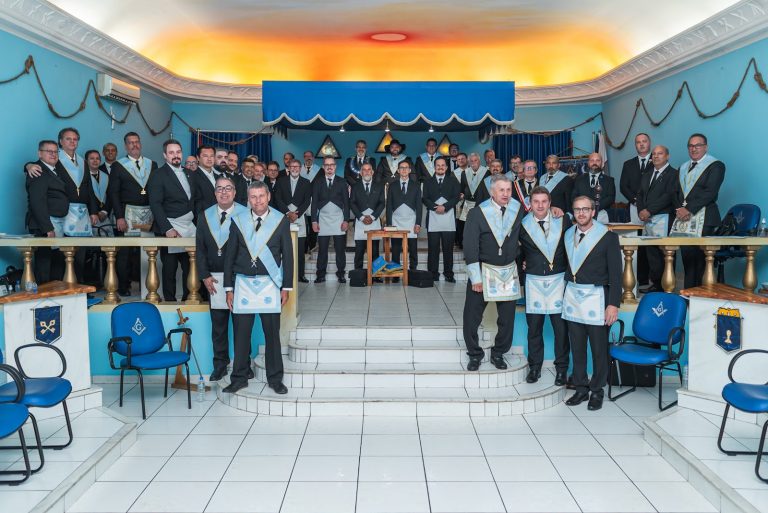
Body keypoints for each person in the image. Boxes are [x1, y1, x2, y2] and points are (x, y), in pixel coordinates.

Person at [223, 181, 294, 394]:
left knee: (272, 335)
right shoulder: (238, 221)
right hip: (243, 284)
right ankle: (239, 378)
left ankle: (275, 379)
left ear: (268, 196)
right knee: (241, 335)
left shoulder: (280, 221)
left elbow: (288, 256)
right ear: (248, 199)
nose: (258, 201)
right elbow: (230, 256)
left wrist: (286, 287)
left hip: (270, 285)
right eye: (253, 197)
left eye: (261, 196)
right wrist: (228, 288)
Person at [562, 195, 622, 411]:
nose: (581, 213)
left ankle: (597, 390)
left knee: (598, 349)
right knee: (577, 347)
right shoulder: (568, 234)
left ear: (593, 212)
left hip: (597, 298)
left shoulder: (607, 237)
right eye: (577, 209)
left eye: (585, 209)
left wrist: (613, 304)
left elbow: (616, 274)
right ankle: (580, 388)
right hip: (573, 296)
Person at [463, 174, 525, 371]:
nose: (506, 194)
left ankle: (498, 353)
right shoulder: (477, 213)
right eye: (501, 190)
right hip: (483, 271)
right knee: (472, 316)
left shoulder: (517, 209)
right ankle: (474, 354)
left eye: (508, 190)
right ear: (492, 191)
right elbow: (470, 246)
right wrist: (475, 277)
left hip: (508, 271)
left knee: (507, 319)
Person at [25, 127, 99, 282]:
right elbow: (38, 168)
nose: (72, 142)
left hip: (79, 215)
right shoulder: (51, 163)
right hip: (60, 217)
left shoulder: (82, 162)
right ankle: (53, 290)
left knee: (73, 256)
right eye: (68, 139)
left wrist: (93, 211)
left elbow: (89, 189)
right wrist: (28, 165)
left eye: (75, 139)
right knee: (55, 260)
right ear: (61, 142)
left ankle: (76, 288)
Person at [197, 175, 247, 382]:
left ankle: (243, 365)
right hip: (215, 279)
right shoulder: (204, 215)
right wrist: (204, 275)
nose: (224, 192)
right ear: (215, 192)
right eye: (220, 188)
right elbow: (200, 249)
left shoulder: (245, 214)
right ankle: (220, 365)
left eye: (228, 188)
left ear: (235, 192)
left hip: (239, 278)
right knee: (218, 326)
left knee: (242, 326)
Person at [519, 187, 571, 385]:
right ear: (530, 204)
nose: (540, 206)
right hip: (534, 282)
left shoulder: (563, 220)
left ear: (550, 203)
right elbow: (516, 251)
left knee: (561, 330)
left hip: (559, 280)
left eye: (544, 201)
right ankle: (534, 368)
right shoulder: (522, 225)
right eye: (536, 202)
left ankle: (562, 370)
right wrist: (522, 265)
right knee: (534, 329)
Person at [108, 132, 158, 296]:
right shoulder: (118, 166)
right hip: (127, 213)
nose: (134, 145)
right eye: (131, 142)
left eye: (137, 142)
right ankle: (124, 286)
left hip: (148, 213)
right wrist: (119, 216)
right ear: (126, 146)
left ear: (140, 144)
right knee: (125, 253)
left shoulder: (152, 164)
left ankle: (147, 285)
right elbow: (113, 193)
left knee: (147, 251)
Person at [147, 139, 197, 301]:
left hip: (189, 227)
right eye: (171, 152)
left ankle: (188, 299)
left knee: (190, 267)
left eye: (178, 152)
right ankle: (170, 301)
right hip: (170, 227)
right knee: (170, 269)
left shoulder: (190, 173)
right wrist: (167, 228)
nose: (175, 155)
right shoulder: (158, 175)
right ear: (165, 155)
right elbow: (155, 204)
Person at [675, 133, 726, 288]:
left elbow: (710, 192)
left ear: (706, 147)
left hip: (705, 219)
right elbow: (676, 192)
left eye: (698, 145)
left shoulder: (716, 165)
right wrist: (680, 209)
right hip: (684, 219)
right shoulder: (682, 167)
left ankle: (701, 296)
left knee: (701, 262)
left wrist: (688, 209)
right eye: (691, 146)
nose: (694, 149)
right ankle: (688, 294)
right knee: (688, 260)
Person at [25, 140, 69, 283]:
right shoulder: (38, 171)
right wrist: (47, 228)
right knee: (44, 268)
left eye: (55, 151)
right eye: (49, 151)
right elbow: (37, 202)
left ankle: (55, 294)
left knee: (56, 265)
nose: (53, 154)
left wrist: (27, 165)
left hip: (57, 224)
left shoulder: (54, 169)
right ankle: (43, 296)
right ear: (40, 154)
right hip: (45, 226)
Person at [637, 145, 678, 292]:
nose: (656, 156)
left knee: (665, 254)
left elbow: (669, 196)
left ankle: (667, 286)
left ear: (667, 156)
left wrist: (649, 210)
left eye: (660, 153)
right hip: (648, 220)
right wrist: (641, 211)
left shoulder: (674, 174)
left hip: (665, 219)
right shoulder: (647, 174)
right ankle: (655, 284)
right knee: (652, 254)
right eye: (654, 154)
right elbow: (640, 194)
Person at [621, 133, 652, 288]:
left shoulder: (657, 161)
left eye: (644, 141)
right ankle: (639, 278)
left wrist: (649, 205)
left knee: (651, 244)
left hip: (653, 210)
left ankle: (653, 279)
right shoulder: (628, 164)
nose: (641, 144)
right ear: (635, 145)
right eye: (638, 142)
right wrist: (636, 201)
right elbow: (623, 186)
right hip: (634, 208)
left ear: (649, 143)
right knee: (637, 243)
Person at [312, 157, 349, 283]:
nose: (329, 167)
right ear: (323, 167)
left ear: (335, 166)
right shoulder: (318, 182)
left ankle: (341, 274)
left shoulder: (342, 181)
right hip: (323, 220)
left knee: (340, 250)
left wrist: (346, 220)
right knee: (322, 250)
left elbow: (346, 203)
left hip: (338, 219)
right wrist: (314, 221)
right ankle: (320, 274)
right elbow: (314, 203)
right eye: (326, 165)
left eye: (331, 164)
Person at [423, 156, 460, 282]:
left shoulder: (453, 181)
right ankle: (433, 274)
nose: (440, 167)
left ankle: (449, 274)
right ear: (434, 167)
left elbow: (456, 197)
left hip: (448, 219)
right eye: (438, 165)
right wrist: (435, 207)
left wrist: (445, 207)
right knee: (433, 249)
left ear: (446, 167)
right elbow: (425, 198)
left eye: (443, 165)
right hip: (433, 219)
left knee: (448, 249)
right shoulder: (427, 182)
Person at [274, 159, 312, 282]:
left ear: (300, 168)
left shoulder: (306, 182)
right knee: (283, 248)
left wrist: (297, 214)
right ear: (289, 168)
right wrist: (288, 212)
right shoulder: (281, 181)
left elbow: (307, 200)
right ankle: (283, 276)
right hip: (284, 217)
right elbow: (277, 198)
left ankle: (301, 275)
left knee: (300, 250)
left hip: (299, 217)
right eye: (292, 166)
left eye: (297, 166)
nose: (295, 169)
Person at [387, 160, 422, 272]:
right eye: (401, 168)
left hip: (411, 221)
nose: (404, 170)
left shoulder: (416, 185)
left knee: (413, 248)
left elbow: (419, 206)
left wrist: (418, 223)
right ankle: (395, 272)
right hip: (396, 221)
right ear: (398, 170)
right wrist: (389, 224)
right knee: (396, 249)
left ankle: (413, 271)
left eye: (406, 167)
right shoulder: (392, 186)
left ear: (410, 170)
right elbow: (389, 206)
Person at [350, 163, 385, 274]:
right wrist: (361, 217)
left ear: (372, 172)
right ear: (361, 173)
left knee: (375, 251)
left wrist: (373, 216)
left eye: (369, 169)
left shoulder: (379, 186)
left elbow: (382, 203)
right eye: (364, 170)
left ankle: (376, 275)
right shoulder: (355, 186)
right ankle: (357, 275)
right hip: (360, 222)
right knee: (359, 251)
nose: (366, 172)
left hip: (374, 221)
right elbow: (352, 203)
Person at [571, 152, 615, 222]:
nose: (595, 163)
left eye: (597, 160)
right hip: (582, 214)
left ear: (601, 163)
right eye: (592, 160)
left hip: (601, 215)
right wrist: (585, 208)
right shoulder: (579, 179)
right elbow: (574, 197)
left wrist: (594, 208)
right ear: (588, 163)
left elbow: (611, 198)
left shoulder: (609, 180)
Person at [458, 153, 489, 241]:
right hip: (467, 204)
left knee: (479, 226)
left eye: (475, 160)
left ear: (479, 161)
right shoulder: (464, 173)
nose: (473, 163)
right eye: (471, 161)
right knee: (466, 227)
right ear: (468, 162)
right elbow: (462, 188)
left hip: (481, 204)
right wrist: (461, 194)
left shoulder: (486, 172)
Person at [85, 149, 112, 236]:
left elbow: (110, 196)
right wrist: (93, 212)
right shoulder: (83, 177)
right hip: (89, 216)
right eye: (92, 158)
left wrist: (104, 211)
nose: (95, 161)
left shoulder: (106, 176)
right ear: (86, 161)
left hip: (104, 216)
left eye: (97, 158)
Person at [302, 150, 322, 252]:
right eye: (306, 156)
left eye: (310, 156)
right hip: (301, 202)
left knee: (313, 223)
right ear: (304, 158)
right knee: (303, 226)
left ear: (313, 158)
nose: (308, 158)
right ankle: (304, 248)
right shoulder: (299, 169)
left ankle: (312, 246)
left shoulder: (320, 170)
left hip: (314, 201)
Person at [192, 145, 220, 214]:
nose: (209, 159)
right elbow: (196, 204)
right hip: (204, 217)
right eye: (205, 156)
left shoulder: (219, 177)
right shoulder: (193, 177)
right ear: (198, 158)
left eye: (212, 156)